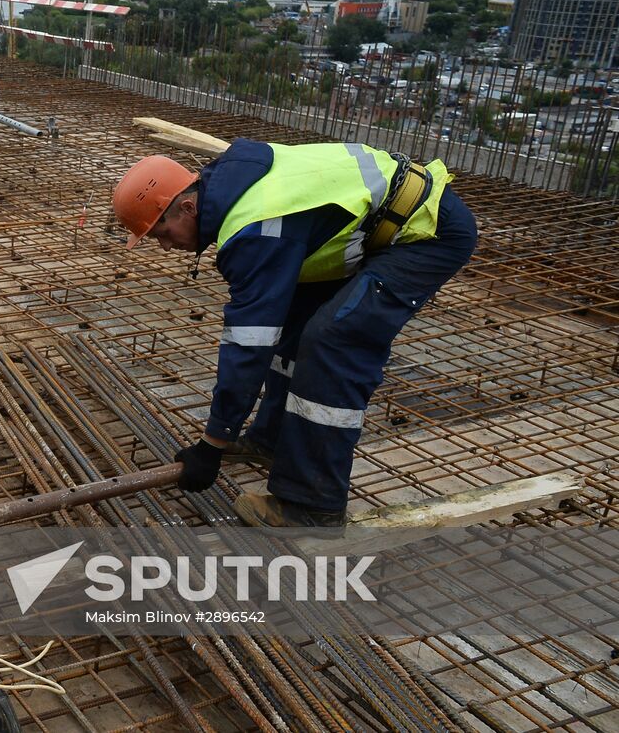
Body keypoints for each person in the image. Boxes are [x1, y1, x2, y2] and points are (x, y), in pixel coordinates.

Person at [113, 140, 477, 530]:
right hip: (372, 225)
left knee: (332, 342)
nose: (167, 246)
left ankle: (314, 504)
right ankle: (271, 440)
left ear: (187, 206)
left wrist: (213, 443)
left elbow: (247, 345)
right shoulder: (228, 182)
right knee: (292, 323)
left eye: (161, 233)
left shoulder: (256, 230)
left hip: (426, 235)